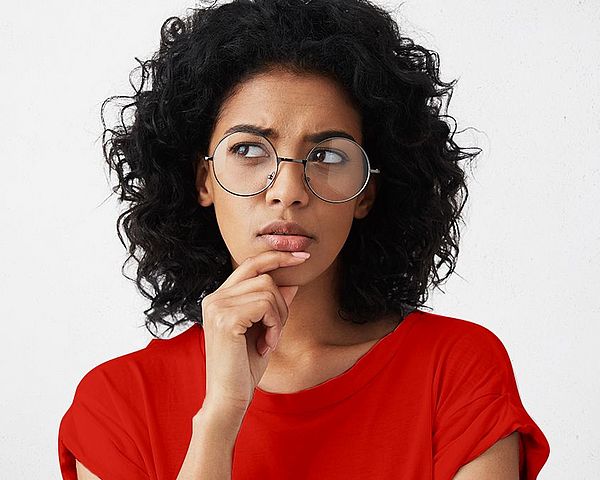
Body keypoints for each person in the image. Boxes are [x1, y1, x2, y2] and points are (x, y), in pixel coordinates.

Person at [58, 0, 550, 478]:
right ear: (203, 180)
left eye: (329, 157)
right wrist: (220, 416)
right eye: (250, 149)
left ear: (367, 193)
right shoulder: (117, 403)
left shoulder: (457, 370)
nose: (288, 193)